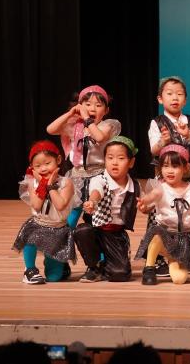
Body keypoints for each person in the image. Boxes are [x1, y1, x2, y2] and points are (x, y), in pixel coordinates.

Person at [147, 76, 190, 277]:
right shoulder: (157, 122)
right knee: (161, 213)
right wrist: (163, 142)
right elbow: (153, 150)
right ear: (160, 99)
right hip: (164, 173)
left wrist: (188, 134)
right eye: (170, 94)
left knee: (184, 213)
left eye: (179, 94)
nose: (175, 98)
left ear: (185, 100)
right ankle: (158, 259)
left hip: (185, 173)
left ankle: (187, 257)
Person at [46, 85, 121, 228]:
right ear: (80, 106)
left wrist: (86, 117)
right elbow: (50, 129)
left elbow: (99, 137)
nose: (92, 108)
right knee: (72, 213)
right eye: (87, 104)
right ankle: (67, 239)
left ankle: (96, 240)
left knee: (96, 213)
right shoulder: (75, 126)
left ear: (106, 110)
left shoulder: (108, 125)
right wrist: (70, 114)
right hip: (77, 175)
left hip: (99, 175)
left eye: (98, 105)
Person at [135, 145, 190, 285]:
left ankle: (172, 259)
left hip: (183, 238)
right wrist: (144, 203)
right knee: (157, 233)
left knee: (179, 279)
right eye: (165, 166)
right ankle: (149, 268)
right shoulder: (161, 188)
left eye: (175, 166)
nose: (170, 170)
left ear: (185, 168)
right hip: (165, 233)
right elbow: (151, 197)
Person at [73, 136, 140, 282]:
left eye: (121, 158)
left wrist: (145, 205)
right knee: (82, 231)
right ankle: (94, 266)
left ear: (131, 162)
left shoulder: (134, 185)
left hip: (115, 234)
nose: (114, 162)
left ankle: (110, 261)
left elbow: (145, 203)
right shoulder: (99, 179)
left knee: (120, 274)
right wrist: (92, 201)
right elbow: (97, 191)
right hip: (96, 230)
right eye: (110, 158)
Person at [12, 140, 76, 284]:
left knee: (54, 278)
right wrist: (42, 184)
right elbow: (36, 205)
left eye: (47, 163)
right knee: (30, 236)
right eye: (38, 166)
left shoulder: (66, 183)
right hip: (39, 224)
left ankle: (58, 262)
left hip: (58, 228)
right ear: (32, 167)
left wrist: (51, 186)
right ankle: (30, 270)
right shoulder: (32, 183)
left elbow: (60, 205)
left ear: (58, 160)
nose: (43, 168)